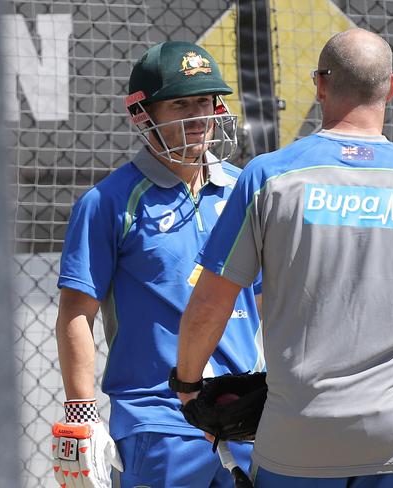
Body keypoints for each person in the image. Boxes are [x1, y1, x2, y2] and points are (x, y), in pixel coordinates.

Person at [173, 28, 393, 488]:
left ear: (320, 85)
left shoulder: (267, 178)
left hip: (296, 433)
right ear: (392, 87)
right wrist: (391, 320)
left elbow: (210, 304)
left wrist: (188, 387)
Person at [52, 41, 264, 488]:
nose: (198, 116)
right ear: (143, 115)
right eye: (180, 104)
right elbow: (76, 314)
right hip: (157, 419)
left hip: (243, 413)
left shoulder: (245, 190)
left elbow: (268, 302)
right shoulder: (107, 201)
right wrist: (81, 418)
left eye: (205, 101)